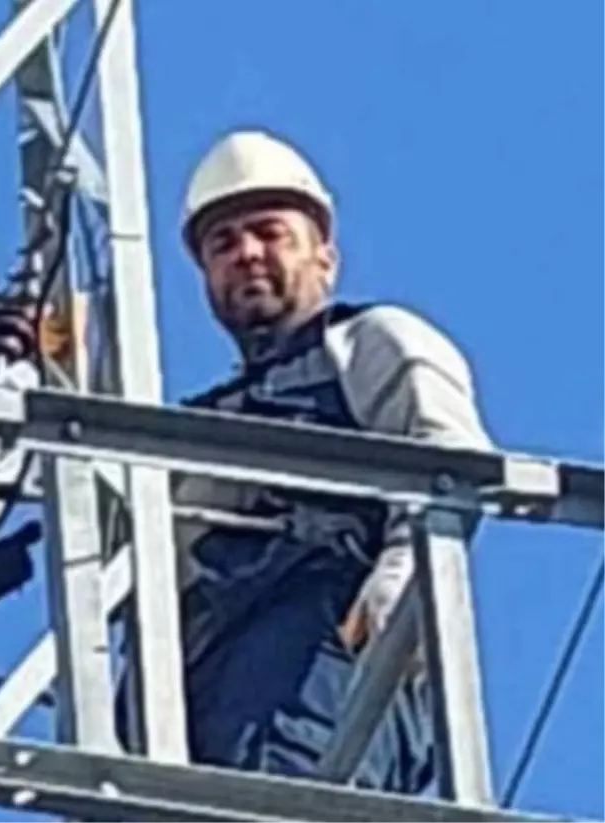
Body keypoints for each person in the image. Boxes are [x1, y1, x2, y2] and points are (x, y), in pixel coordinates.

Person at [117, 128, 493, 792]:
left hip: (319, 656)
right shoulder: (202, 426)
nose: (246, 254)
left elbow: (449, 468)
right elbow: (124, 551)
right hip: (207, 692)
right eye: (222, 243)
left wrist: (398, 587)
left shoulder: (369, 341)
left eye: (270, 233)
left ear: (325, 257)